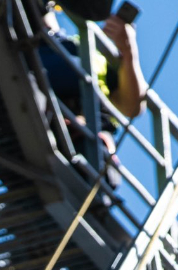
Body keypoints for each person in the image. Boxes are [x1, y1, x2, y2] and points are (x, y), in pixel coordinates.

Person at [37, 1, 147, 186]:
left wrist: (128, 51)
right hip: (27, 114)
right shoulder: (19, 42)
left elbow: (133, 106)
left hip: (78, 138)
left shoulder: (89, 50)